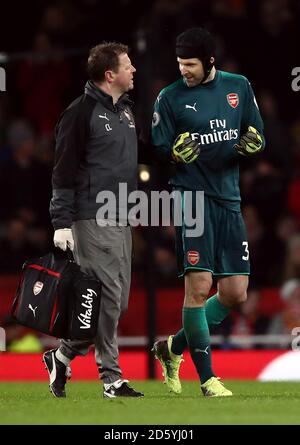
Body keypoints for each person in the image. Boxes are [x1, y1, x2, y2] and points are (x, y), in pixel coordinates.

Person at [151, 27, 265, 397]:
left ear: (210, 61)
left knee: (235, 294)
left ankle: (171, 349)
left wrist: (254, 144)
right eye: (180, 63)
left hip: (229, 200)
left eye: (191, 64)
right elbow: (156, 150)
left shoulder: (238, 86)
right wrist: (171, 155)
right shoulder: (169, 98)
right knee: (198, 288)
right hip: (191, 200)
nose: (184, 70)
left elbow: (256, 134)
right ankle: (207, 379)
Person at [43, 42, 143, 398]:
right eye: (128, 66)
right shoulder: (80, 113)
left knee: (114, 303)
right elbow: (63, 172)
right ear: (109, 74)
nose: (134, 71)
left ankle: (63, 355)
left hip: (122, 216)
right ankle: (112, 379)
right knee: (108, 298)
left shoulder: (127, 111)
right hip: (91, 215)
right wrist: (61, 222)